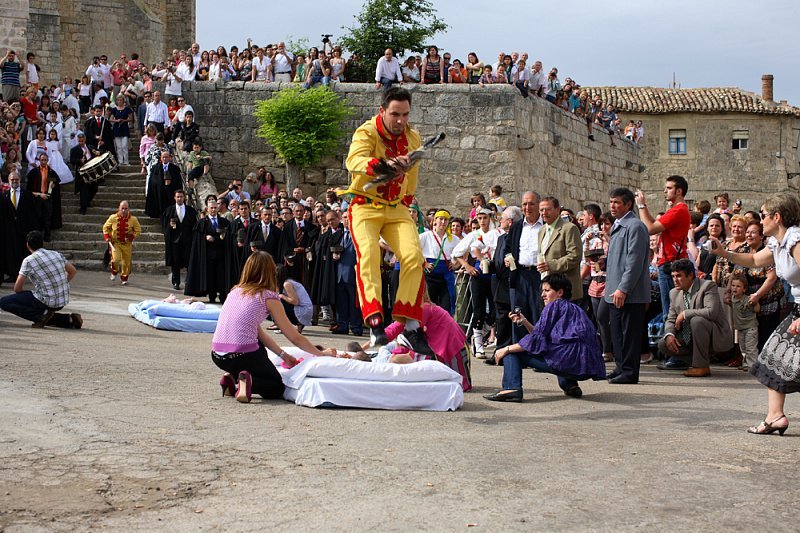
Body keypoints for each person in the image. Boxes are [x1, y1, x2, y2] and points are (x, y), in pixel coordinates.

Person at [340, 86, 432, 355]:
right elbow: (354, 161)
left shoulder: (413, 138)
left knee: (415, 257)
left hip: (396, 208)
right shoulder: (366, 132)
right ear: (382, 111)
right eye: (395, 114)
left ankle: (410, 325)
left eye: (405, 114)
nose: (401, 121)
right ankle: (375, 321)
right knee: (368, 254)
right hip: (364, 205)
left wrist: (408, 201)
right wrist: (386, 165)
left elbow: (412, 175)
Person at [707, 193, 800, 434]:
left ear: (777, 217)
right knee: (772, 359)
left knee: (777, 358)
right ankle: (775, 416)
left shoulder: (796, 242)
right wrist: (724, 253)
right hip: (798, 311)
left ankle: (774, 417)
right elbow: (754, 259)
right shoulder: (778, 242)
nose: (760, 220)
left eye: (764, 215)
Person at [212, 252, 325, 403]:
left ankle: (232, 378)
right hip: (242, 355)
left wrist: (283, 356)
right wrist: (320, 355)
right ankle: (247, 380)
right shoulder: (268, 296)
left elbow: (258, 333)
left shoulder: (235, 291)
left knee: (253, 349)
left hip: (218, 356)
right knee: (275, 387)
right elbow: (294, 337)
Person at [484, 274, 606, 402]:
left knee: (512, 354)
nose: (542, 295)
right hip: (586, 368)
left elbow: (534, 340)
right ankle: (570, 385)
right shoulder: (576, 309)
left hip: (568, 364)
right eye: (542, 290)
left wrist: (506, 349)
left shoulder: (554, 306)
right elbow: (541, 336)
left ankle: (511, 388)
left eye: (547, 291)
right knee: (560, 346)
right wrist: (524, 321)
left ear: (560, 292)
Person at [605, 187, 652, 384]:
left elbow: (634, 261)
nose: (613, 206)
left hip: (629, 293)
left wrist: (623, 288)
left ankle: (630, 371)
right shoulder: (618, 225)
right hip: (614, 290)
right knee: (617, 332)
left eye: (617, 202)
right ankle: (621, 366)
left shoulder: (635, 227)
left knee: (630, 334)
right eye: (611, 202)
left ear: (628, 204)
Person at [657, 259, 732, 377]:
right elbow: (671, 319)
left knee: (697, 321)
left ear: (691, 275)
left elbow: (711, 312)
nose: (675, 280)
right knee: (664, 343)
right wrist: (670, 335)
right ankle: (694, 360)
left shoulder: (707, 286)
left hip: (714, 335)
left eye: (679, 276)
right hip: (690, 338)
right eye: (673, 276)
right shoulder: (674, 293)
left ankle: (701, 366)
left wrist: (686, 313)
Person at [0, 231, 82, 328]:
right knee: (36, 301)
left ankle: (42, 316)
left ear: (27, 245)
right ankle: (68, 320)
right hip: (62, 300)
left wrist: (27, 296)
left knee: (4, 302)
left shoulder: (28, 260)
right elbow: (73, 271)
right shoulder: (56, 254)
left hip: (47, 301)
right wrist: (61, 284)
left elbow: (17, 288)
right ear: (42, 243)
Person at [636, 175, 691, 321]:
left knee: (670, 311)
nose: (665, 191)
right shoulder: (677, 209)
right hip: (670, 262)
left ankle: (672, 340)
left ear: (679, 191)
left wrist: (641, 205)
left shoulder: (678, 210)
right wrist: (645, 208)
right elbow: (655, 224)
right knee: (671, 309)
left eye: (669, 188)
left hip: (670, 263)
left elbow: (650, 228)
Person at [185, 196, 230, 303]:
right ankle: (212, 296)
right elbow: (195, 238)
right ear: (207, 209)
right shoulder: (201, 223)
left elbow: (230, 236)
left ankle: (223, 296)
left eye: (215, 207)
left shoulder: (224, 222)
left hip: (221, 255)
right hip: (207, 255)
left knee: (221, 276)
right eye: (211, 208)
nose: (213, 210)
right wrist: (204, 238)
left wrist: (225, 237)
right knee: (210, 276)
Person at [537, 196, 582, 300]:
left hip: (565, 290)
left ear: (557, 210)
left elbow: (575, 256)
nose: (544, 213)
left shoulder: (569, 228)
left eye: (548, 209)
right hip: (547, 289)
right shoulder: (542, 230)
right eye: (541, 210)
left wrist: (551, 265)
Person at [161, 189, 198, 290]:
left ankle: (188, 282)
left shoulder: (190, 211)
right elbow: (164, 226)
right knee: (175, 262)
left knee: (188, 262)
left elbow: (195, 226)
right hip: (174, 240)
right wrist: (169, 226)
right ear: (174, 198)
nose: (179, 198)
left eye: (181, 197)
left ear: (184, 197)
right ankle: (176, 282)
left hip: (187, 240)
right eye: (177, 197)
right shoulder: (169, 211)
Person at [102, 200, 142, 286]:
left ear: (128, 209)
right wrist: (107, 237)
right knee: (116, 259)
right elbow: (105, 227)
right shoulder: (113, 217)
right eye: (122, 208)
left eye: (126, 208)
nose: (124, 210)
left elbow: (138, 230)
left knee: (126, 263)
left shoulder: (133, 219)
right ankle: (114, 271)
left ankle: (124, 278)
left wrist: (131, 236)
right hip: (116, 243)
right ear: (119, 208)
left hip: (127, 244)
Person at [26, 152, 62, 242]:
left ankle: (47, 235)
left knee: (47, 217)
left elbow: (54, 183)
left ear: (47, 160)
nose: (43, 161)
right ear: (39, 160)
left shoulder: (51, 172)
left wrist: (54, 186)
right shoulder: (34, 172)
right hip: (37, 198)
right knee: (37, 216)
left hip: (47, 197)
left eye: (45, 160)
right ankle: (37, 236)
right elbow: (29, 187)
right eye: (42, 160)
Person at [729, 272, 759, 371]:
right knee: (743, 348)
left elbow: (757, 309)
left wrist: (755, 302)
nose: (735, 288)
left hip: (750, 327)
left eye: (738, 286)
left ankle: (753, 366)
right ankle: (746, 364)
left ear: (744, 289)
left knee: (751, 348)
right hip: (740, 328)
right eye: (733, 285)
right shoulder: (731, 299)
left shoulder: (747, 299)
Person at [276, 264, 313, 333]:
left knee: (280, 300)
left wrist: (282, 296)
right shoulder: (287, 282)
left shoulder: (287, 284)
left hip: (303, 311)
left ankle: (293, 324)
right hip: (305, 309)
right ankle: (295, 326)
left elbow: (295, 301)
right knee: (277, 298)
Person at [70, 133, 100, 215]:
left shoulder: (90, 147)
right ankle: (83, 208)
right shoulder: (74, 149)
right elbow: (72, 160)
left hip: (92, 172)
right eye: (79, 141)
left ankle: (87, 202)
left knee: (94, 188)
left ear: (85, 140)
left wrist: (98, 152)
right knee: (84, 190)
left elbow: (98, 153)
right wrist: (80, 161)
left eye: (82, 141)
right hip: (82, 173)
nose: (81, 143)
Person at [145, 151, 182, 218]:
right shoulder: (155, 168)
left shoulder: (175, 168)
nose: (165, 159)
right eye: (163, 157)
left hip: (171, 192)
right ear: (161, 158)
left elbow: (178, 182)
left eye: (166, 157)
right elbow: (153, 181)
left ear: (169, 158)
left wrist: (170, 183)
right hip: (159, 192)